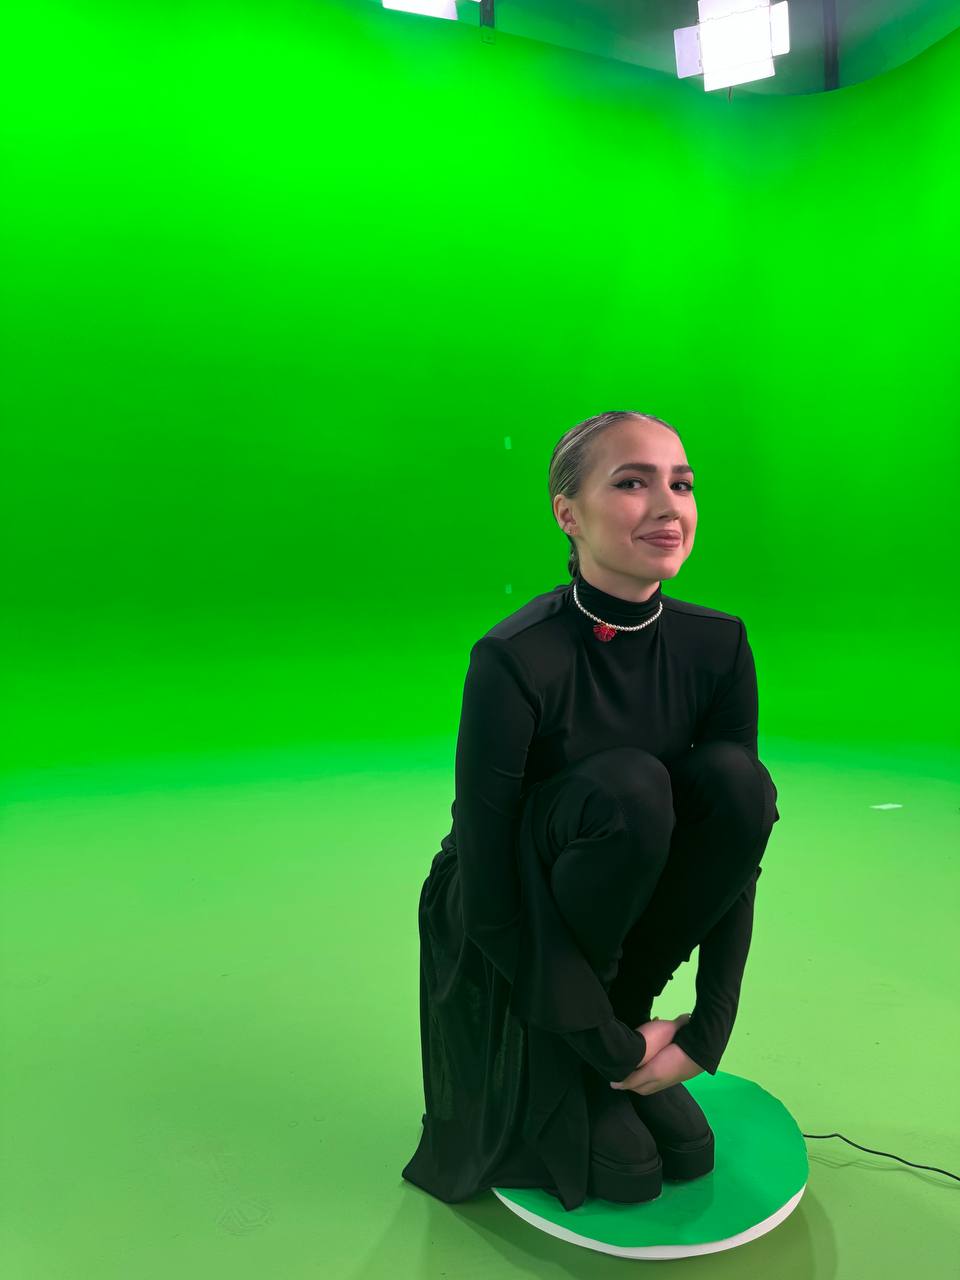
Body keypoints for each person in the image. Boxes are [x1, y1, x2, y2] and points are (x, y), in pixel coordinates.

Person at [401, 410, 780, 1211]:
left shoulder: (719, 647)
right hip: (508, 914)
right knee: (631, 788)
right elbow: (491, 886)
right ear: (568, 514)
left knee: (739, 783)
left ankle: (627, 1026)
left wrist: (706, 1030)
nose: (668, 506)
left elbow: (735, 848)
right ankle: (577, 1058)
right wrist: (609, 1049)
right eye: (633, 482)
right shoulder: (513, 657)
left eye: (681, 484)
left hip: (626, 912)